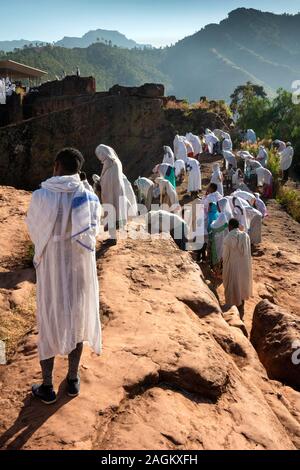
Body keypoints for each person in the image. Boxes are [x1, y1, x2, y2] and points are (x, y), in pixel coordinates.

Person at [26, 148, 102, 404]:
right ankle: (72, 380)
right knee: (77, 321)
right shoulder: (89, 197)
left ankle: (47, 386)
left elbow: (34, 232)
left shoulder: (41, 196)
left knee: (48, 321)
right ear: (79, 170)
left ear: (56, 165)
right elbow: (93, 234)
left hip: (51, 272)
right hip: (79, 272)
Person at [95, 144, 128, 241]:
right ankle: (113, 237)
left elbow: (107, 180)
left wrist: (100, 183)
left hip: (110, 194)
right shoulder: (116, 161)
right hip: (116, 193)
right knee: (116, 213)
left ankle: (112, 238)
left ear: (103, 153)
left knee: (111, 212)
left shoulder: (109, 163)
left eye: (99, 154)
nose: (99, 157)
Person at [222, 218, 253, 317]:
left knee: (233, 284)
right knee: (242, 284)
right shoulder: (246, 235)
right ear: (238, 226)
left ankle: (233, 306)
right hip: (244, 267)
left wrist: (223, 265)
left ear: (230, 226)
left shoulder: (228, 237)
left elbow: (225, 255)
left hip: (233, 266)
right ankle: (241, 304)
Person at [210, 198, 233, 266]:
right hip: (227, 235)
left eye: (218, 206)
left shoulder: (222, 215)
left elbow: (215, 227)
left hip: (221, 236)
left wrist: (212, 223)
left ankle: (218, 266)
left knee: (219, 250)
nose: (217, 208)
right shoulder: (228, 213)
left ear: (221, 206)